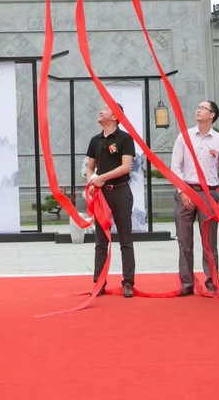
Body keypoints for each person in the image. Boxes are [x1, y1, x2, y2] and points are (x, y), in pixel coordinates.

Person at [169, 100, 219, 296]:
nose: (198, 110)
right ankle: (186, 282)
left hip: (209, 195)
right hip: (185, 193)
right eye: (197, 107)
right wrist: (182, 191)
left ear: (212, 114)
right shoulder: (184, 136)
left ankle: (212, 280)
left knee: (209, 240)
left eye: (203, 108)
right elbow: (176, 167)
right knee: (184, 240)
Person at [85, 105, 135, 298]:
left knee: (125, 238)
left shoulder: (125, 139)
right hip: (101, 195)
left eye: (105, 109)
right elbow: (90, 168)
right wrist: (92, 180)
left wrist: (101, 177)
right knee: (100, 240)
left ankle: (128, 282)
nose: (100, 111)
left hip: (121, 192)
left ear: (115, 116)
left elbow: (126, 167)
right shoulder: (95, 140)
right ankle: (99, 281)